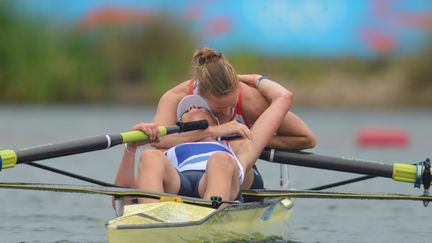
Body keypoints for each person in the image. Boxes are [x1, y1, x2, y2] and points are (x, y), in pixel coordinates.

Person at [146, 47, 316, 190]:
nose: (227, 112)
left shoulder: (251, 101)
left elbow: (305, 138)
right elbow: (158, 143)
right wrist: (214, 133)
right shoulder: (175, 98)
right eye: (219, 108)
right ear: (200, 97)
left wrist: (247, 137)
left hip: (235, 171)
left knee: (223, 163)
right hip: (185, 173)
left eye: (232, 104)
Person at [115, 77, 291, 203]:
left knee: (219, 160)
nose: (191, 107)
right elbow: (123, 197)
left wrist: (255, 79)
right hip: (178, 183)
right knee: (149, 157)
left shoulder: (236, 142)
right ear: (180, 124)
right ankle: (150, 222)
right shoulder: (166, 149)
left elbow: (283, 98)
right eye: (185, 111)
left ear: (216, 120)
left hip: (220, 182)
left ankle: (210, 221)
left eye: (200, 106)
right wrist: (131, 147)